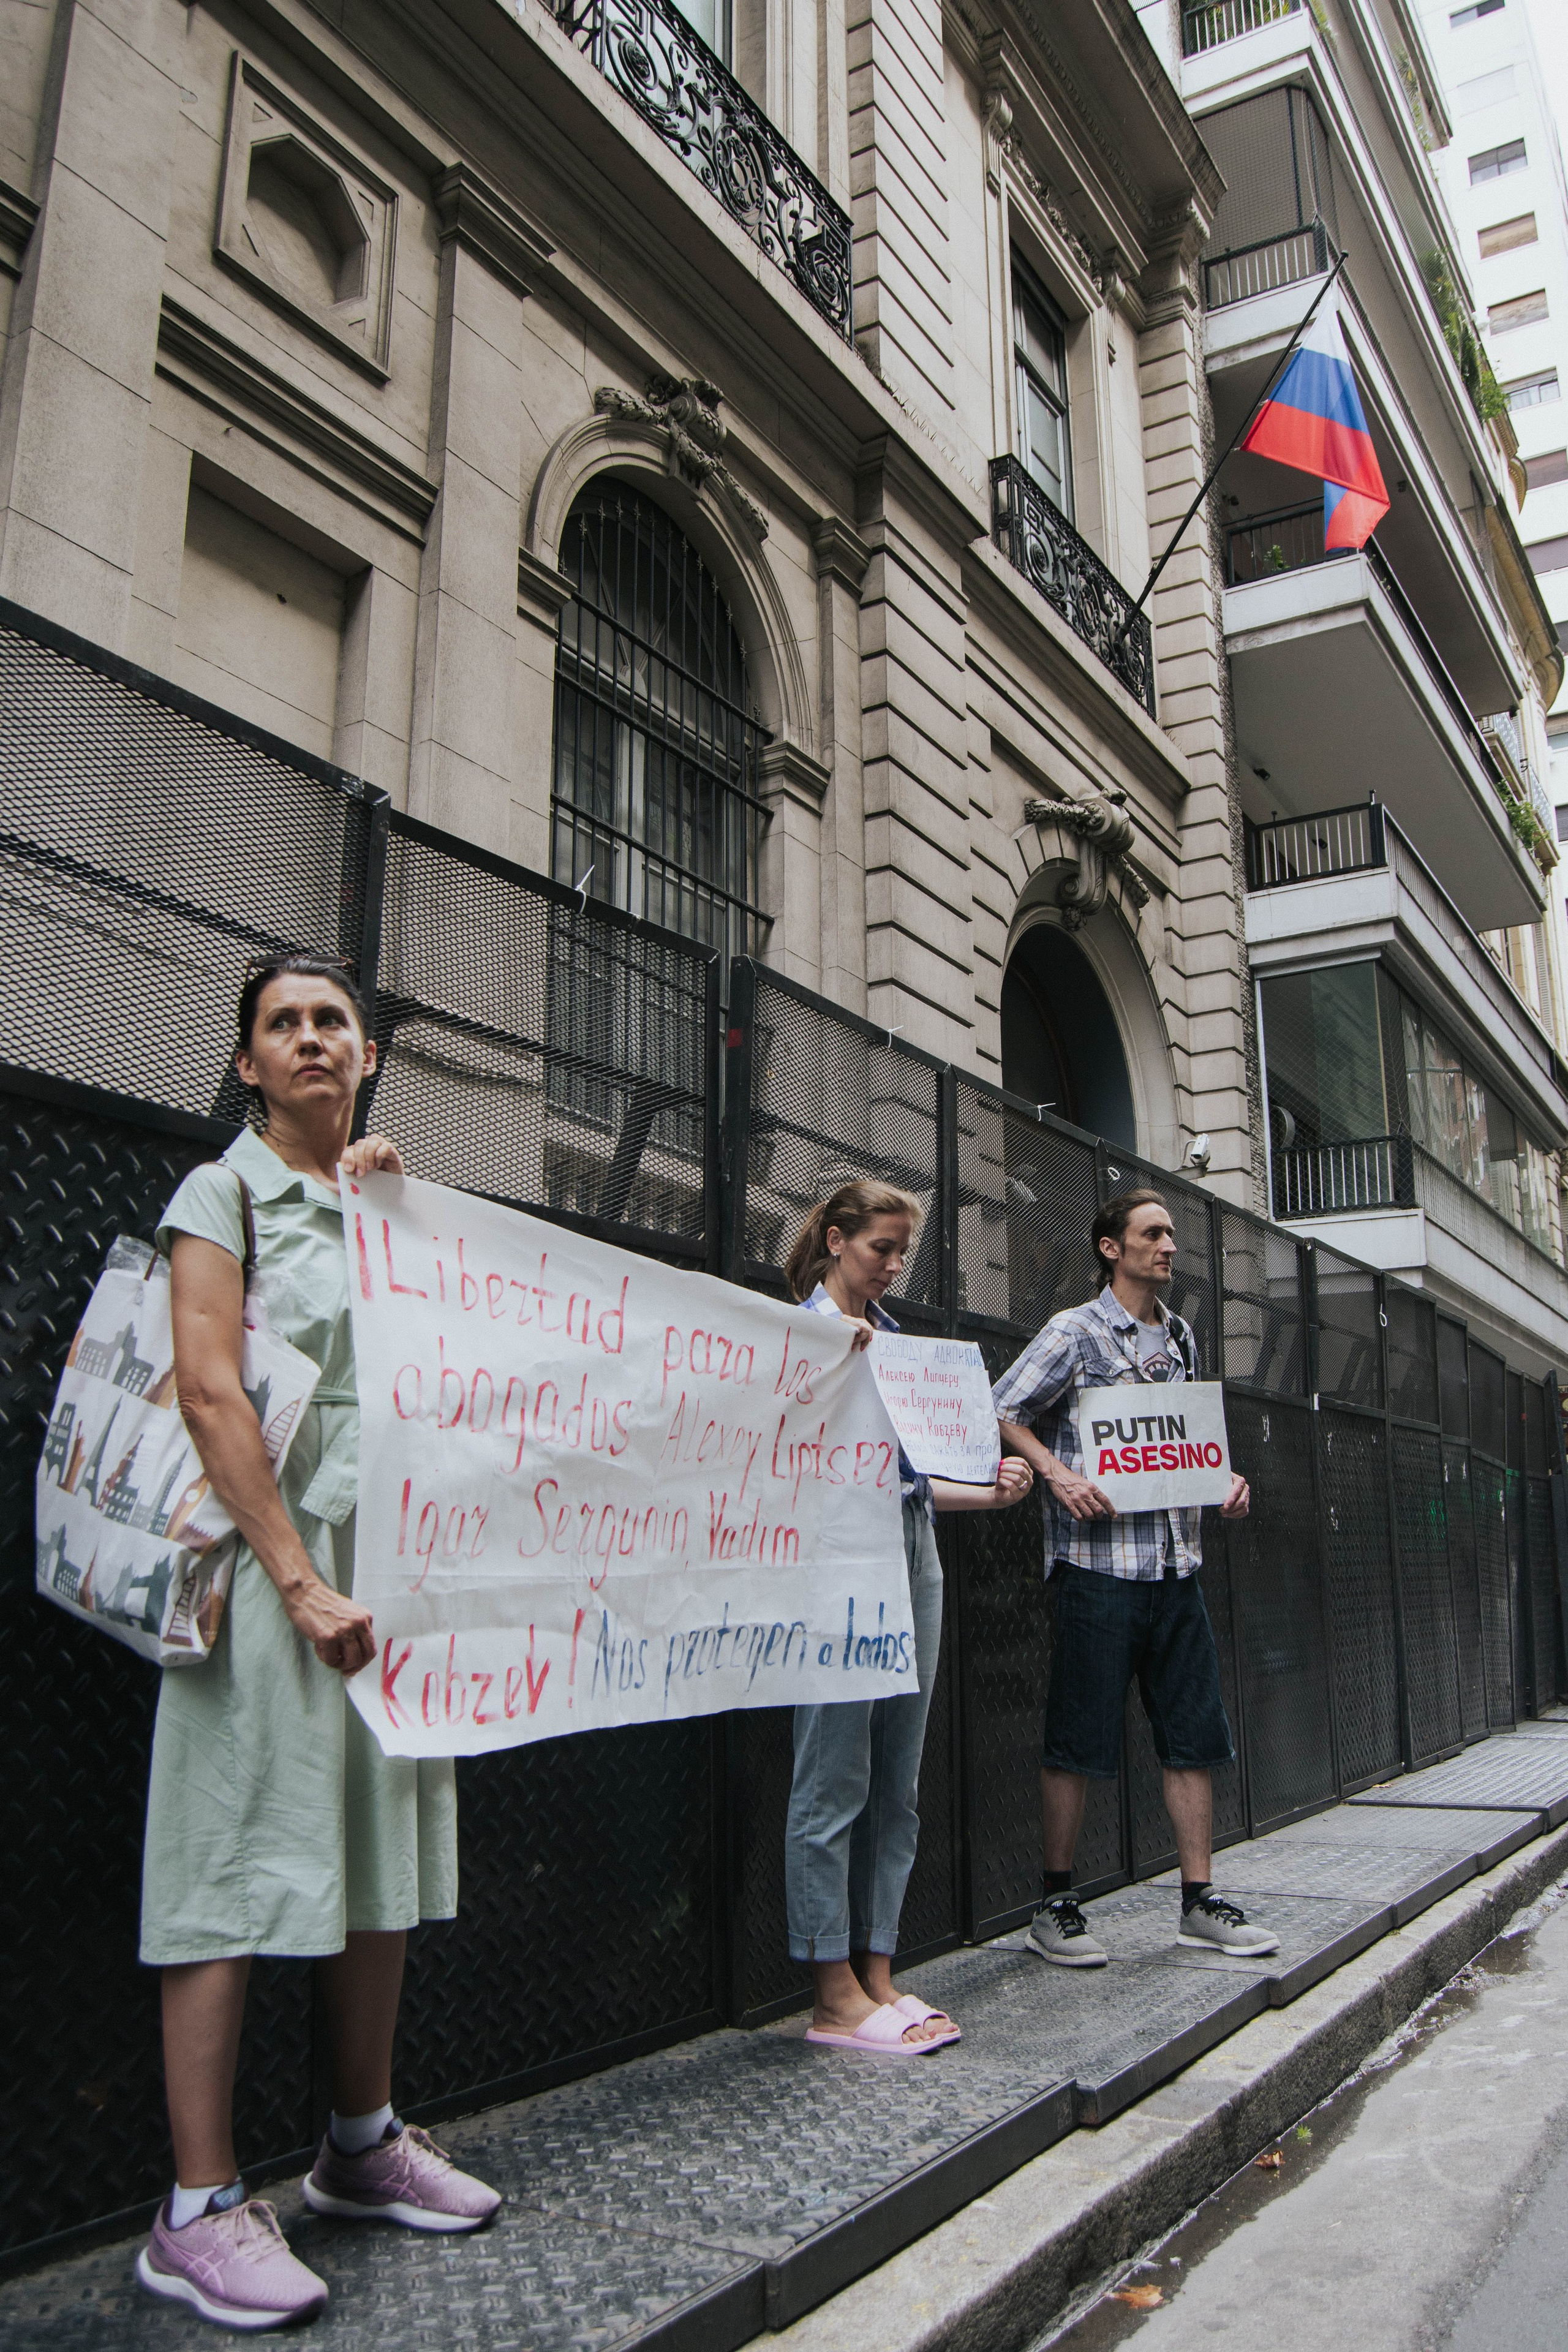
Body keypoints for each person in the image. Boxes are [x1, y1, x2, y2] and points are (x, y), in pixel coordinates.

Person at [136, 954, 499, 2332]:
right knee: (224, 1861)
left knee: (375, 1853)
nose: (308, 1040)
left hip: (385, 1570)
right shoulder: (219, 1193)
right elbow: (212, 1393)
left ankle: (360, 2144)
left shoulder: (376, 1201)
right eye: (281, 1024)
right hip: (263, 1575)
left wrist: (385, 1211)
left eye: (331, 1022)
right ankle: (196, 2208)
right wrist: (295, 1582)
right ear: (246, 1062)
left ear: (364, 1055)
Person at [992, 1188, 1278, 1967]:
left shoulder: (1178, 1334)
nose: (1169, 1247)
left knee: (1192, 1732)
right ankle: (1055, 1903)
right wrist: (1055, 1473)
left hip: (1174, 1565)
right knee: (1078, 1734)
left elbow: (1178, 1441)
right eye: (1152, 1234)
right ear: (1110, 1249)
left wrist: (1223, 1479)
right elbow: (1003, 1407)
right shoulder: (1074, 1332)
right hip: (1098, 1569)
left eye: (1173, 1236)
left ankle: (1199, 1901)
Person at [784, 1180, 1035, 2052]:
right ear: (838, 1239)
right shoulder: (803, 1334)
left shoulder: (895, 1345)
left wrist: (989, 1490)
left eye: (902, 1253)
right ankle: (831, 1990)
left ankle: (877, 1974)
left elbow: (916, 1483)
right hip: (835, 1550)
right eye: (881, 1248)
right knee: (833, 1770)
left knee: (899, 1769)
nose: (893, 1266)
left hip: (909, 1539)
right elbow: (773, 1454)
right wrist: (825, 1359)